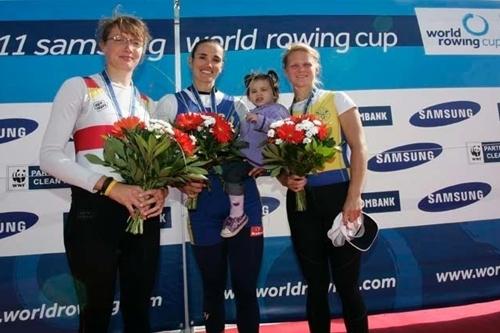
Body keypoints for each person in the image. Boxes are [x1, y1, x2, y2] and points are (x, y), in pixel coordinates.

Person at [39, 14, 167, 333]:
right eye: (119, 39)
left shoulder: (146, 103)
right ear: (102, 46)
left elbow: (156, 168)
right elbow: (49, 157)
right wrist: (110, 187)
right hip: (94, 211)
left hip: (141, 213)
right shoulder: (79, 87)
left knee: (139, 310)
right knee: (95, 311)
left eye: (136, 42)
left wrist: (160, 191)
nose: (128, 47)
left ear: (144, 50)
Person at [155, 39, 263, 333]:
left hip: (245, 202)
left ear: (222, 66)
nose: (208, 64)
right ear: (190, 61)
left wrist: (267, 160)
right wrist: (179, 181)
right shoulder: (170, 103)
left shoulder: (239, 105)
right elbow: (154, 157)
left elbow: (259, 147)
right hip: (203, 203)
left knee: (245, 286)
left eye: (215, 59)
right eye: (202, 57)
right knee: (212, 286)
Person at [278, 42, 369, 333]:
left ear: (317, 67)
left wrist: (353, 197)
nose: (301, 70)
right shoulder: (281, 111)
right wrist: (286, 179)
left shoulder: (337, 98)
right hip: (301, 202)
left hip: (338, 197)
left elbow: (359, 148)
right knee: (315, 285)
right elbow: (279, 165)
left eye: (307, 64)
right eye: (295, 65)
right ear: (286, 72)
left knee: (346, 284)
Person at [220, 70, 288, 238]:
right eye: (253, 91)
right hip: (245, 157)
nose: (258, 94)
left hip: (258, 161)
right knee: (228, 170)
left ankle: (237, 215)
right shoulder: (251, 113)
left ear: (275, 93)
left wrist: (261, 121)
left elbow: (281, 129)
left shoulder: (277, 109)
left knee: (233, 173)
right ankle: (235, 209)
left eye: (263, 89)